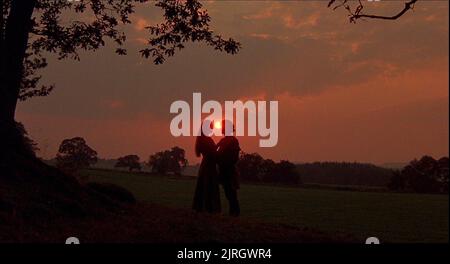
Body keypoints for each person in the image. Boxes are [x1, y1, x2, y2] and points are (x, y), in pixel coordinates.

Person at [192, 121, 221, 213]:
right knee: (210, 187)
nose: (212, 129)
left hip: (205, 165)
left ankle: (201, 207)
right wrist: (220, 145)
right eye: (211, 127)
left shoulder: (201, 139)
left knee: (203, 187)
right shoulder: (207, 140)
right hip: (209, 166)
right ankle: (210, 208)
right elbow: (212, 153)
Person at [216, 120, 241, 216]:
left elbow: (235, 157)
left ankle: (234, 214)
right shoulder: (224, 140)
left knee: (231, 194)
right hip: (224, 170)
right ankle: (233, 214)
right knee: (229, 193)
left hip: (229, 170)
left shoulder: (233, 141)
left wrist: (224, 162)